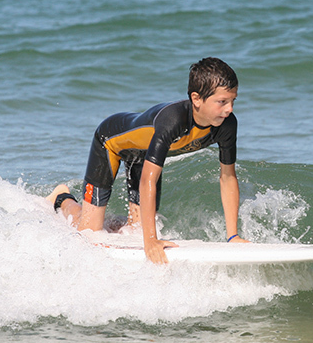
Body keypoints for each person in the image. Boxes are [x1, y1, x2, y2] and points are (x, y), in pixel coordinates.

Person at [47, 57, 248, 264]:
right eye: (222, 102)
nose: (229, 109)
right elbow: (148, 181)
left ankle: (110, 223)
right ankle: (62, 199)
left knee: (135, 231)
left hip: (144, 156)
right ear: (196, 99)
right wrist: (151, 240)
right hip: (110, 144)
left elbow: (227, 177)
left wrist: (232, 237)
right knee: (89, 233)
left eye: (233, 101)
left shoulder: (227, 125)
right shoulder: (173, 121)